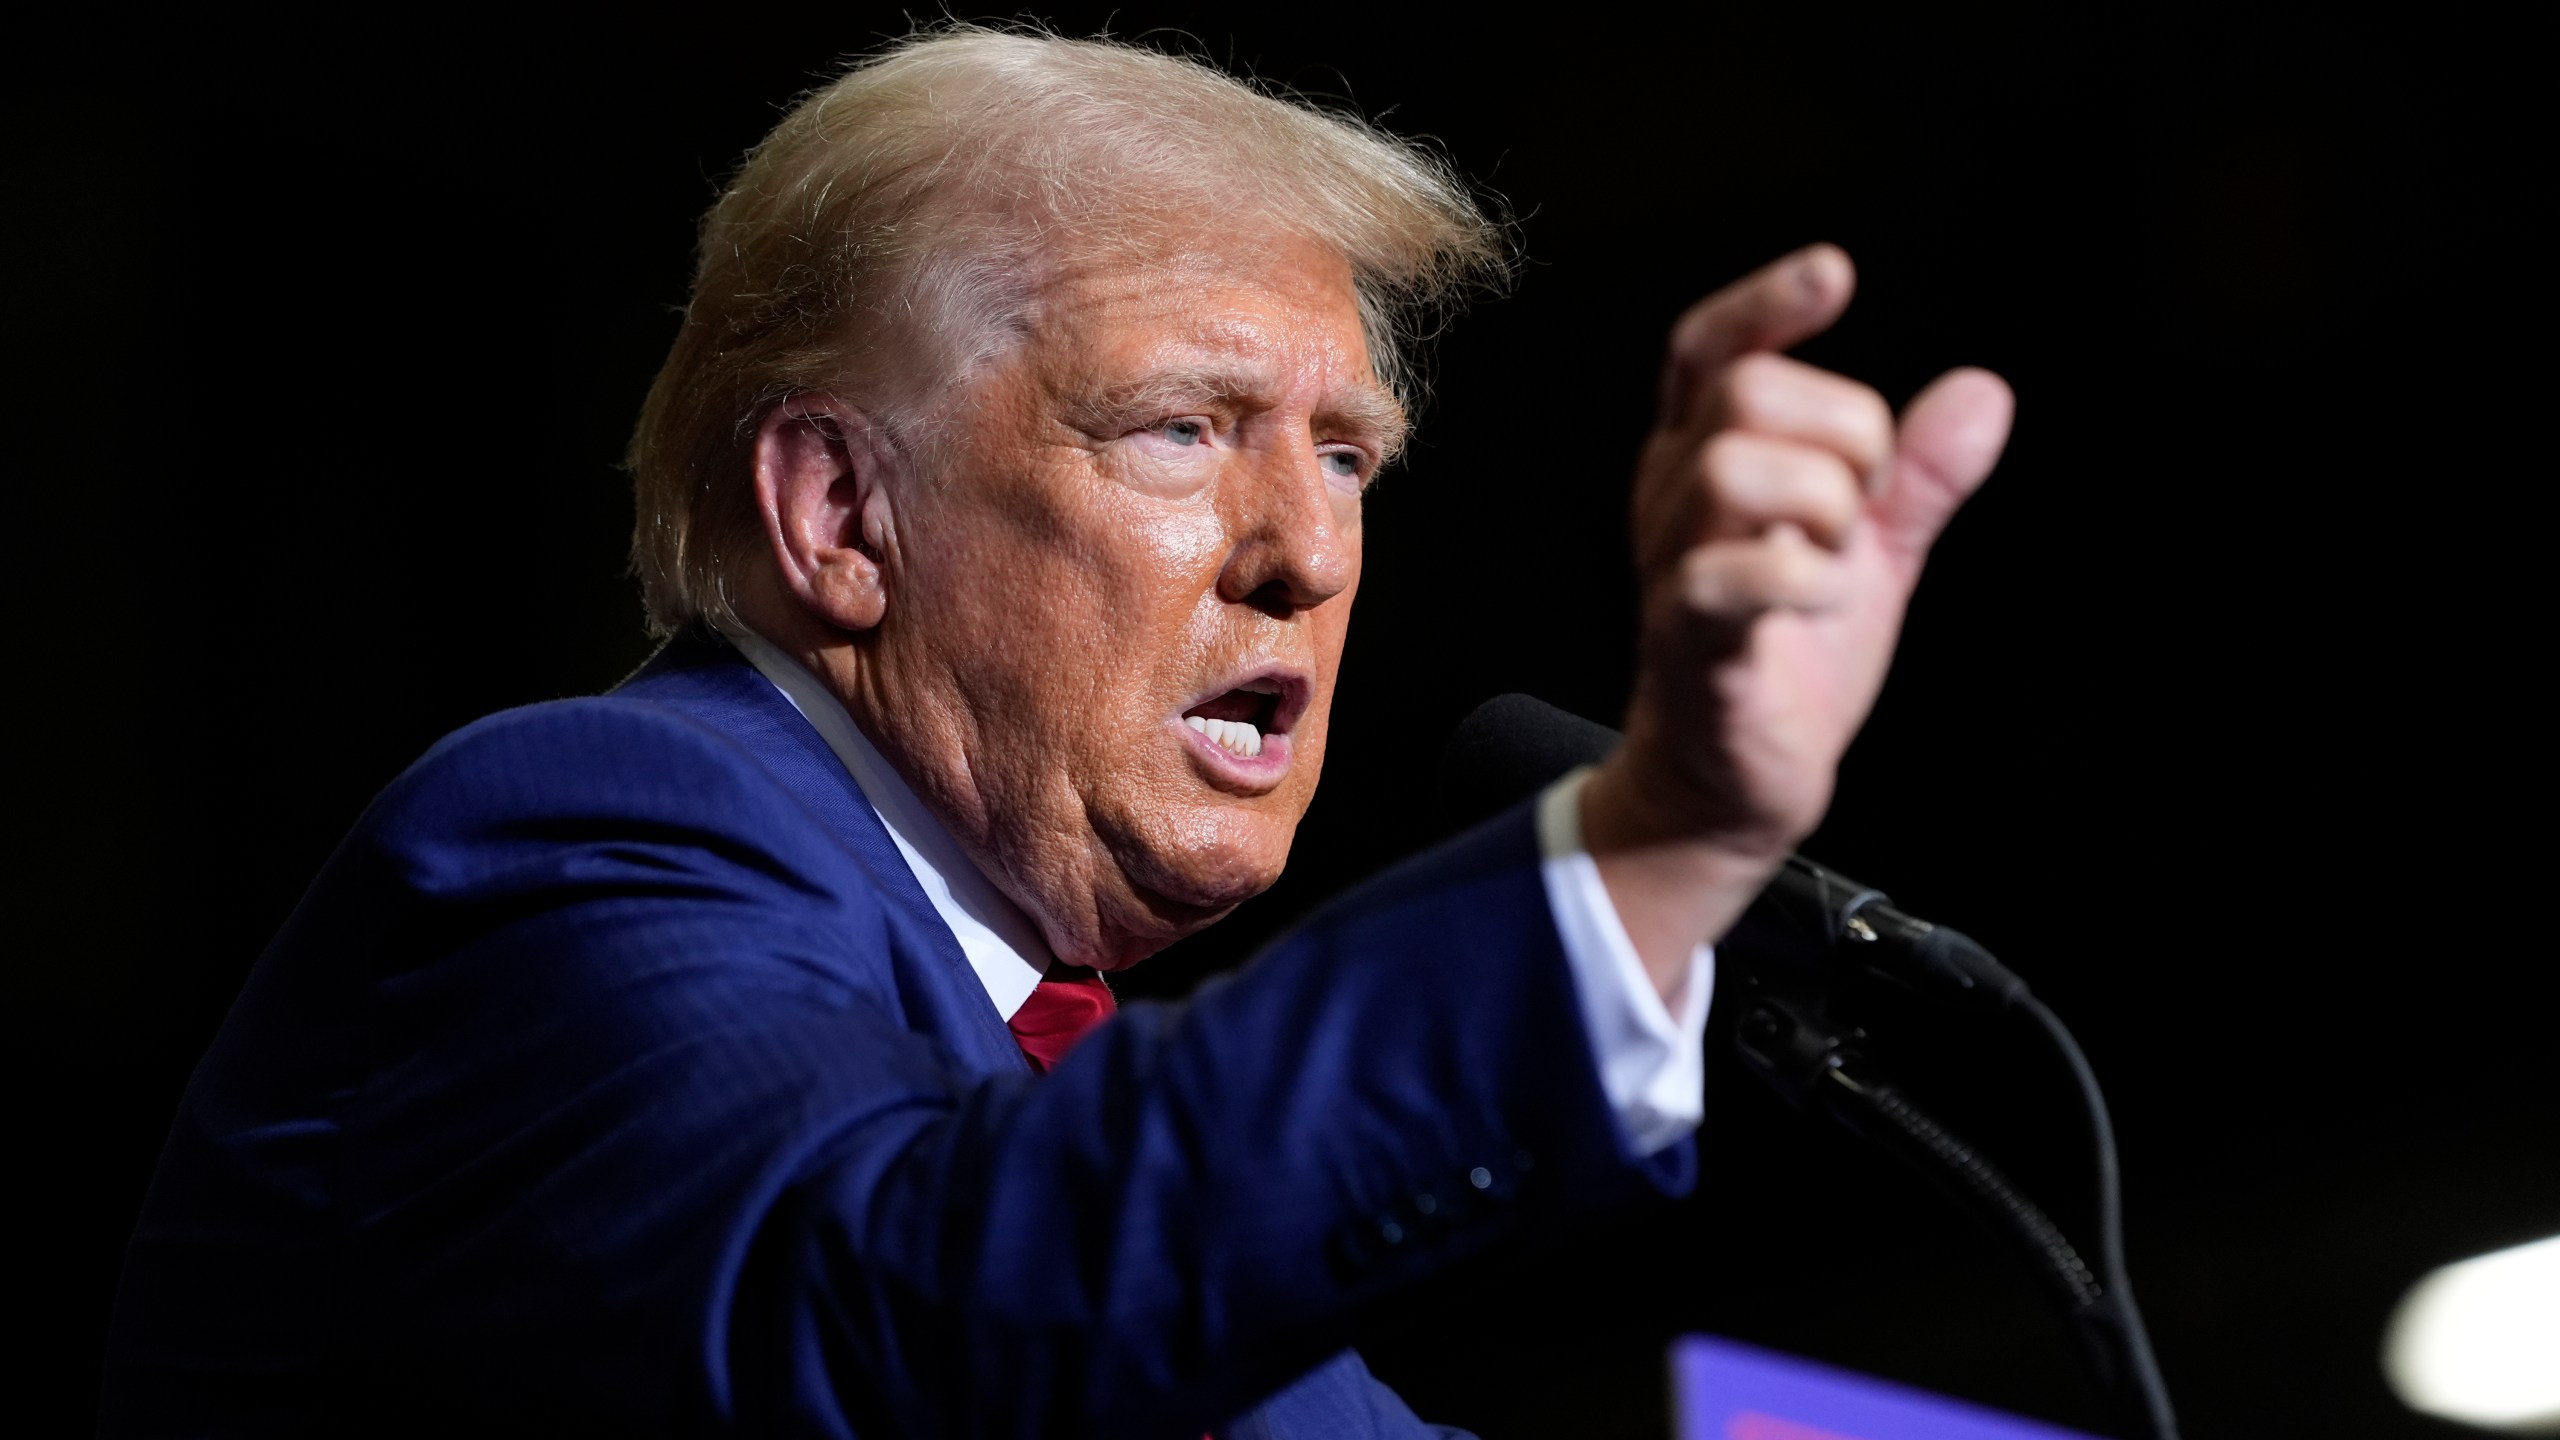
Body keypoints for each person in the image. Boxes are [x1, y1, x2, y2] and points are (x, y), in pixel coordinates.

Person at [102, 28, 2013, 1439]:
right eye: (1181, 428)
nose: (1310, 554)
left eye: (1349, 455)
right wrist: (1649, 849)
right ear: (841, 516)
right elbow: (913, 1320)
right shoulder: (588, 837)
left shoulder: (1047, 1091)